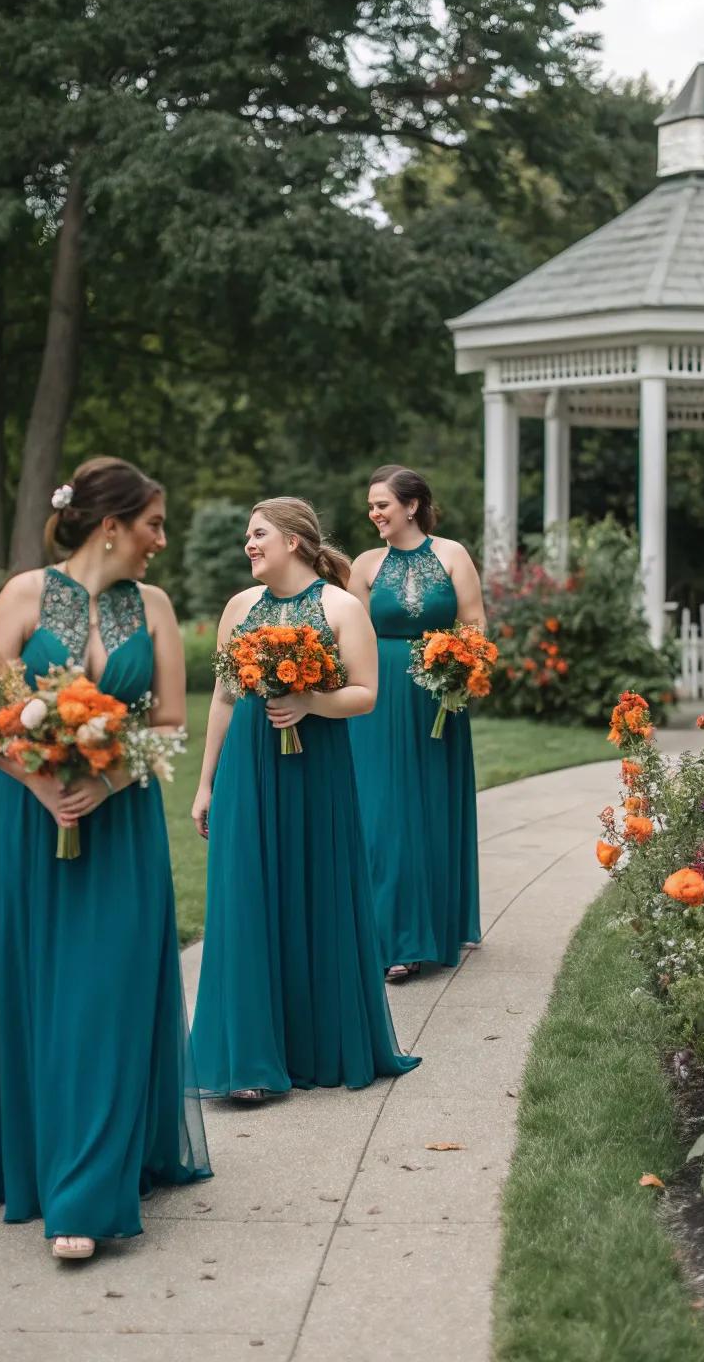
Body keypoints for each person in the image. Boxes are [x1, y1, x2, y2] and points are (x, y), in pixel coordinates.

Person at [0, 456, 211, 1259]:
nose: (159, 541)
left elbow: (168, 720)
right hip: (30, 822)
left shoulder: (155, 607)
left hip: (120, 824)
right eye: (153, 525)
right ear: (110, 525)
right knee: (43, 991)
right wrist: (41, 779)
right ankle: (42, 1157)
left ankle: (86, 1196)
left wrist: (107, 780)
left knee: (110, 993)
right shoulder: (25, 595)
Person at [189, 496, 419, 1098]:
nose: (249, 545)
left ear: (294, 540)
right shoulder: (239, 608)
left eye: (258, 533)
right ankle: (250, 1063)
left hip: (316, 772)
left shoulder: (342, 606)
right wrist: (206, 782)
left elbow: (366, 693)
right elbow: (221, 699)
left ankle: (316, 1046)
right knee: (247, 897)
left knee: (311, 893)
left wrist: (309, 702)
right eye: (248, 535)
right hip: (248, 765)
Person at [348, 465, 483, 979]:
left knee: (427, 809)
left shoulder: (452, 555)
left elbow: (473, 624)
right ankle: (391, 936)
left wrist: (459, 670)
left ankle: (434, 924)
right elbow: (350, 634)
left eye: (382, 503)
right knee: (382, 815)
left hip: (435, 698)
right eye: (371, 505)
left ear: (412, 504)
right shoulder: (364, 565)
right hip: (377, 701)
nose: (374, 513)